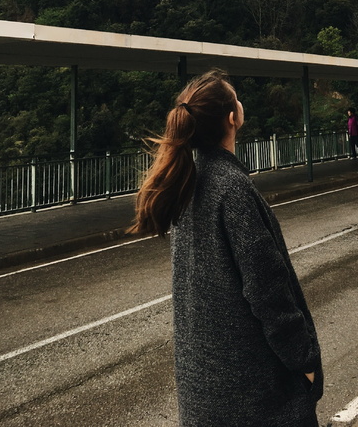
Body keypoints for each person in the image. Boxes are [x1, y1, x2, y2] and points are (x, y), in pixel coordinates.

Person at [131, 71, 323, 427]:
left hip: (205, 390)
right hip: (255, 396)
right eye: (235, 97)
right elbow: (268, 291)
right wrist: (305, 361)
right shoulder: (232, 189)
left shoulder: (188, 182)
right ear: (232, 117)